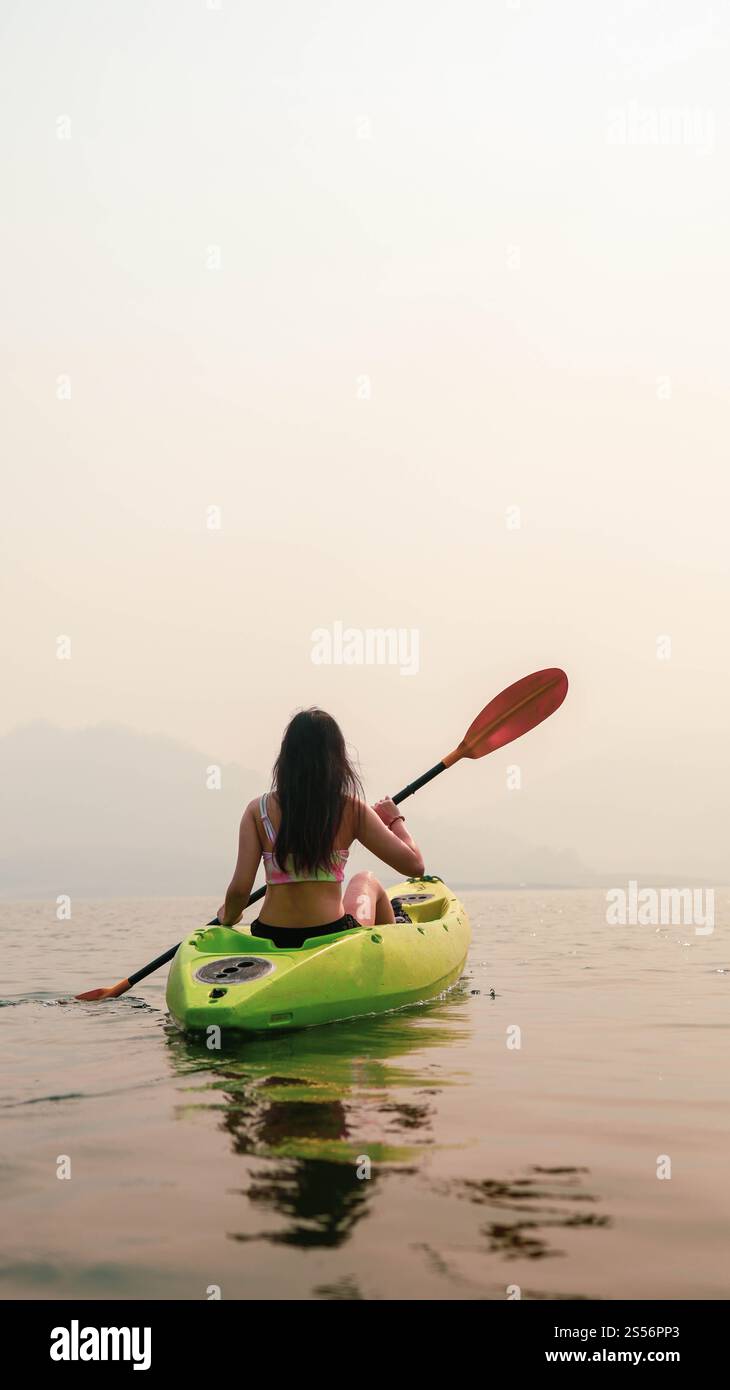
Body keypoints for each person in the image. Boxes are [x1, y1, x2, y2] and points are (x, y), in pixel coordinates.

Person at [216, 708, 425, 947]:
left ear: (286, 757)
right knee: (366, 880)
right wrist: (395, 820)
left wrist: (229, 916)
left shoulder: (258, 811)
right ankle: (392, 946)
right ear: (337, 758)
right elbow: (414, 866)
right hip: (330, 936)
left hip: (269, 934)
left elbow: (240, 890)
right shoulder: (352, 810)